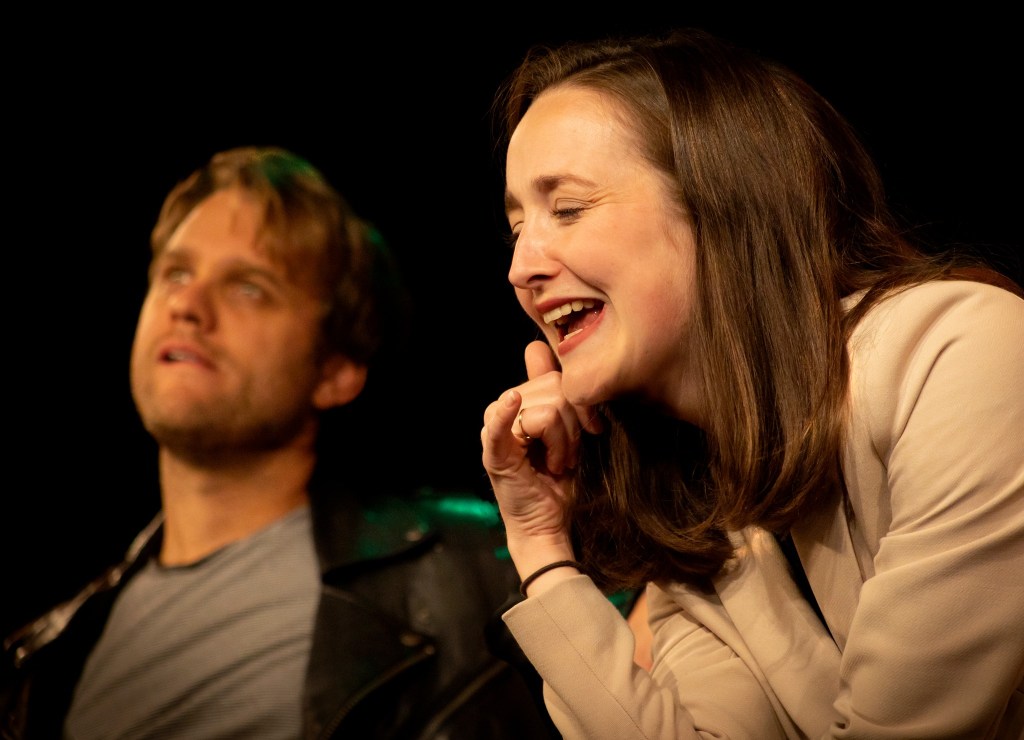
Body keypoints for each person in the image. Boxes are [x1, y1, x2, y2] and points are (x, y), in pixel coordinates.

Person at [480, 28, 1024, 739]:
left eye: (569, 209)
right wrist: (540, 544)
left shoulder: (958, 353)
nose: (521, 268)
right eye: (516, 229)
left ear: (723, 204)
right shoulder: (694, 509)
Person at [1, 146, 559, 739]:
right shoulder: (45, 658)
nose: (187, 305)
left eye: (248, 287)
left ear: (335, 370)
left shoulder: (481, 568)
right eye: (176, 273)